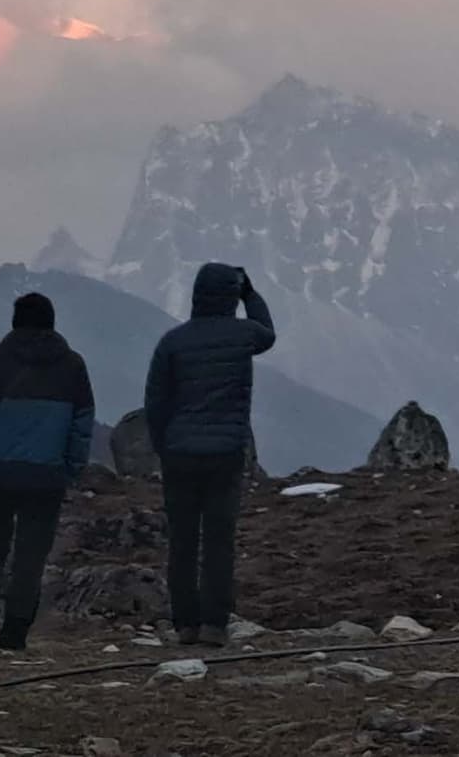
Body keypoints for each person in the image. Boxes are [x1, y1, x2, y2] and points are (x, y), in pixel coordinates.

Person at [145, 261, 276, 646]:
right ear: (230, 297)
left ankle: (185, 622)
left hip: (180, 453)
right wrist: (251, 294)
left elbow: (156, 401)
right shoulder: (243, 335)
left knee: (183, 539)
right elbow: (268, 334)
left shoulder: (173, 341)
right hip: (226, 452)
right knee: (219, 540)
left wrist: (162, 446)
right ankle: (215, 624)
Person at [0, 290, 94, 652]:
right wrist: (71, 469)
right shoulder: (72, 366)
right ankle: (16, 630)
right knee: (31, 557)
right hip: (45, 478)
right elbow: (82, 425)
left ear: (15, 321)